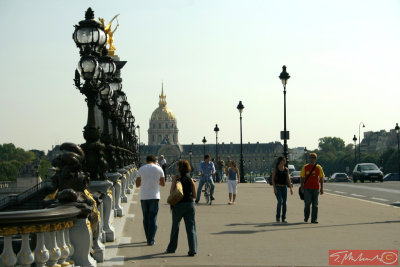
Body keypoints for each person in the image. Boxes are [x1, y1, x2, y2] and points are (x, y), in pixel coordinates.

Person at [166, 160, 198, 256]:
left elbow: (171, 192)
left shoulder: (176, 178)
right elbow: (195, 195)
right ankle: (193, 249)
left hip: (178, 205)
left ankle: (172, 248)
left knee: (175, 227)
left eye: (177, 166)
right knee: (191, 228)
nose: (176, 168)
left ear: (179, 168)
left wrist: (174, 181)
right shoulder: (190, 179)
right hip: (189, 205)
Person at [135, 155, 166, 245]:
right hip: (155, 196)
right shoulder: (159, 169)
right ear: (155, 160)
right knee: (153, 218)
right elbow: (163, 184)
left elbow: (137, 184)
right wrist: (156, 181)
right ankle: (150, 239)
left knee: (146, 218)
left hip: (144, 196)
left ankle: (148, 237)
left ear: (146, 160)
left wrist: (144, 181)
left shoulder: (141, 169)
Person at [300, 152, 325, 224]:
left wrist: (322, 188)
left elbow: (321, 177)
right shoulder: (305, 167)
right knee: (307, 203)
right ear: (309, 158)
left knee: (315, 204)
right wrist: (302, 187)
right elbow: (301, 177)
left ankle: (314, 219)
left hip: (316, 187)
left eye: (313, 158)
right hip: (307, 187)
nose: (311, 159)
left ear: (315, 159)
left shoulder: (318, 167)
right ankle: (306, 217)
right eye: (310, 157)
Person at [271, 156, 293, 223]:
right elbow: (272, 179)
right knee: (280, 201)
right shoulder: (276, 169)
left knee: (284, 203)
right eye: (284, 160)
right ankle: (278, 217)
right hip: (278, 187)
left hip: (284, 187)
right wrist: (274, 188)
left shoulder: (286, 169)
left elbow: (288, 179)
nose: (285, 161)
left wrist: (291, 188)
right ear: (280, 161)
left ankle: (284, 218)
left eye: (285, 160)